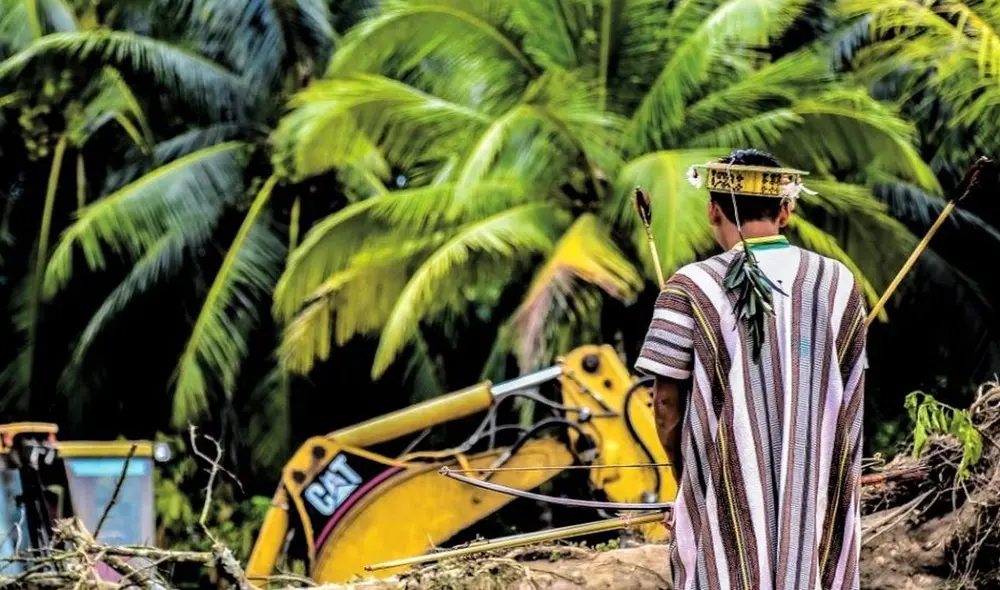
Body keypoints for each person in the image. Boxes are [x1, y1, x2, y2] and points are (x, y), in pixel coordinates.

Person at [635, 149, 867, 590]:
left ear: (712, 209)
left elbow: (666, 406)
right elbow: (850, 394)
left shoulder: (690, 286)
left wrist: (687, 481)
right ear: (786, 209)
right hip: (816, 493)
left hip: (723, 491)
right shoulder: (839, 282)